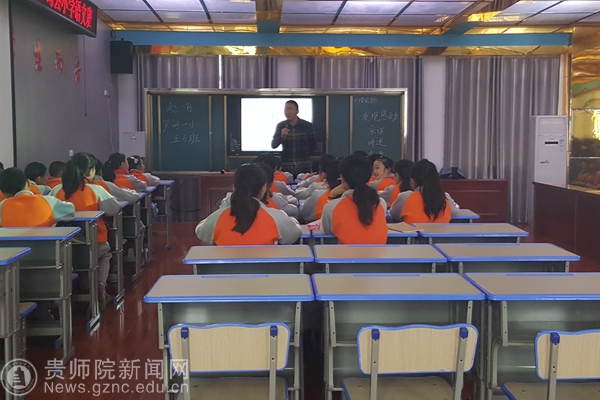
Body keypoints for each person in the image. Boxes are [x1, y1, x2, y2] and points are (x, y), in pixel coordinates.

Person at [51, 153, 121, 310]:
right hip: (94, 243)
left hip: (63, 248)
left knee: (77, 260)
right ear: (90, 171)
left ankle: (79, 288)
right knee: (105, 255)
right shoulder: (96, 189)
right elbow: (113, 209)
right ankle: (99, 284)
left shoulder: (57, 190)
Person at [196, 163, 301, 245]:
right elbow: (295, 232)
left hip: (226, 267)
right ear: (264, 188)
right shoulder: (276, 217)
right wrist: (292, 219)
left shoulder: (218, 217)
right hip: (267, 267)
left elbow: (199, 230)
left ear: (234, 187)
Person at [321, 154, 387, 244]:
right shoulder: (380, 203)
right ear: (369, 178)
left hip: (344, 253)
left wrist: (332, 195)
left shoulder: (330, 207)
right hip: (379, 253)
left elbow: (326, 234)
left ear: (342, 179)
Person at [0, 167, 74, 227]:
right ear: (28, 183)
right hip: (46, 241)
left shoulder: (2, 206)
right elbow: (70, 210)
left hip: (11, 242)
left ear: (2, 192)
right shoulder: (48, 201)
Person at [395, 159, 455, 224]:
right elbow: (454, 211)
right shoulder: (445, 198)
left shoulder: (405, 197)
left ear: (412, 181)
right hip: (440, 231)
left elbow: (394, 215)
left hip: (412, 230)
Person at [271, 100, 317, 176]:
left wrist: (305, 155)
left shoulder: (307, 125)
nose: (287, 112)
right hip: (286, 167)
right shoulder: (281, 125)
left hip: (303, 166)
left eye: (290, 109)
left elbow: (313, 144)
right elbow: (273, 145)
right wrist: (281, 136)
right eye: (286, 109)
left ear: (297, 111)